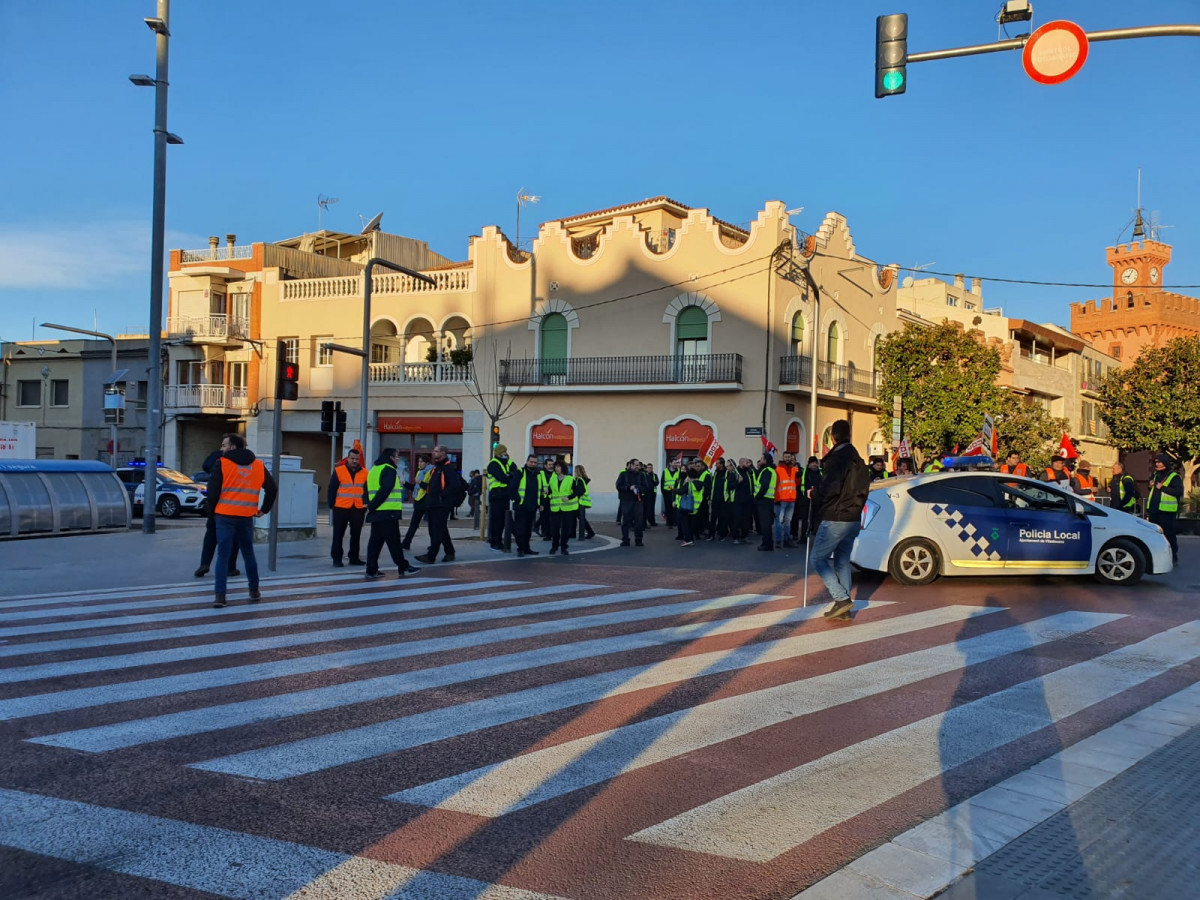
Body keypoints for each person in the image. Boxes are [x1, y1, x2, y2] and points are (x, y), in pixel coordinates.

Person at [207, 433, 277, 608]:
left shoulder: (222, 464)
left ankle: (220, 596)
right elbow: (272, 488)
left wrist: (211, 514)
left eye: (224, 445)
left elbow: (212, 492)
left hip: (224, 515)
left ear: (232, 447)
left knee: (223, 556)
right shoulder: (258, 465)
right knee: (248, 554)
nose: (221, 448)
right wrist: (264, 509)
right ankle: (254, 590)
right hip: (246, 516)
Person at [809, 419, 869, 621]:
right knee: (842, 561)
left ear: (833, 437)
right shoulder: (858, 460)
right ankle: (843, 608)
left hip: (836, 516)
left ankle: (841, 598)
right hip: (853, 517)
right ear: (849, 435)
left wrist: (814, 494)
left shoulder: (836, 459)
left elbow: (829, 488)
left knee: (817, 558)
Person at [364, 447, 421, 580]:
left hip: (378, 513)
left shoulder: (374, 469)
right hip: (387, 512)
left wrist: (370, 505)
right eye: (396, 457)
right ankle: (403, 567)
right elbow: (385, 490)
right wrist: (372, 506)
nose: (397, 459)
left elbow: (365, 488)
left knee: (375, 543)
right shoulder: (389, 469)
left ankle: (371, 570)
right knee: (394, 542)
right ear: (391, 458)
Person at [194, 443, 239, 578]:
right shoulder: (234, 459)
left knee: (211, 536)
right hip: (232, 506)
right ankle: (230, 567)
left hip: (216, 505)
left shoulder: (216, 458)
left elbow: (206, 466)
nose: (221, 448)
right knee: (233, 538)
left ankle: (205, 564)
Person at [416, 444, 465, 564]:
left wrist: (442, 495)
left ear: (443, 453)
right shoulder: (436, 468)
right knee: (440, 529)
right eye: (433, 450)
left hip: (441, 504)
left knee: (436, 530)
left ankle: (431, 556)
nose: (433, 453)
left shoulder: (447, 468)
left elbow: (455, 485)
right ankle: (450, 552)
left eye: (436, 451)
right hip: (433, 503)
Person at [327, 446, 368, 567]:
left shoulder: (365, 472)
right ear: (348, 458)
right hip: (341, 507)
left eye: (356, 459)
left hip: (358, 508)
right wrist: (331, 505)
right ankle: (337, 558)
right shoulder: (339, 470)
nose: (354, 461)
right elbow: (332, 489)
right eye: (352, 458)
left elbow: (367, 490)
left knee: (356, 534)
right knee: (338, 534)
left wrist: (366, 505)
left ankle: (354, 557)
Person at [1147, 453, 1182, 566]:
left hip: (1167, 511)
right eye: (1156, 462)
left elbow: (1178, 492)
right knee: (1154, 534)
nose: (1157, 464)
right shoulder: (1155, 474)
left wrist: (1163, 488)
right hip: (1154, 509)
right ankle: (1155, 556)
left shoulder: (1174, 476)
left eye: (1159, 462)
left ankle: (1173, 556)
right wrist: (1150, 485)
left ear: (1165, 463)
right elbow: (1152, 489)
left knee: (1168, 534)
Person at [547, 460, 585, 555]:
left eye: (558, 466)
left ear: (563, 468)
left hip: (567, 508)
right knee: (554, 529)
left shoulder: (570, 479)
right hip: (555, 508)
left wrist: (569, 497)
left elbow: (579, 490)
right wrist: (547, 493)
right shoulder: (553, 479)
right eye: (555, 467)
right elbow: (551, 491)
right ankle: (554, 546)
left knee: (566, 529)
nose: (556, 468)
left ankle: (564, 547)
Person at [511, 454, 543, 557]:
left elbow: (541, 490)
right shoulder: (520, 472)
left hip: (532, 506)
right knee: (520, 529)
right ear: (527, 462)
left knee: (528, 529)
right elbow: (512, 488)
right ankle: (520, 549)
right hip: (521, 506)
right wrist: (517, 499)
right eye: (531, 462)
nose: (533, 464)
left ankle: (527, 548)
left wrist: (540, 504)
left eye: (535, 462)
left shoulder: (538, 474)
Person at [486, 444, 516, 551]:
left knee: (504, 520)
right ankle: (495, 542)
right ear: (499, 453)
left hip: (505, 494)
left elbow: (515, 474)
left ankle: (500, 541)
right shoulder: (493, 464)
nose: (505, 454)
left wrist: (509, 475)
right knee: (496, 521)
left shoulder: (506, 463)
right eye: (504, 452)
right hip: (496, 494)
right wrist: (509, 476)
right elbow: (503, 478)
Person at [401, 456, 432, 550]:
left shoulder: (431, 471)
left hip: (428, 501)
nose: (419, 464)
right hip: (419, 501)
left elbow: (431, 487)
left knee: (432, 525)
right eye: (419, 462)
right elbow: (416, 487)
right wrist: (405, 484)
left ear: (427, 463)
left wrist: (421, 482)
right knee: (413, 524)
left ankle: (434, 544)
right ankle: (406, 543)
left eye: (421, 462)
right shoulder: (419, 472)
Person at [616, 459, 648, 547]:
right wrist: (628, 488)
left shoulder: (642, 475)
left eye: (639, 465)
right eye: (636, 465)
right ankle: (625, 540)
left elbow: (646, 487)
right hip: (626, 501)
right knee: (626, 521)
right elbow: (618, 486)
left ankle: (638, 540)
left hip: (638, 501)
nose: (638, 467)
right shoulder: (623, 474)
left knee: (639, 521)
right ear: (631, 465)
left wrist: (638, 488)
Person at [794, 456, 821, 543]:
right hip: (805, 499)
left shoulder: (820, 472)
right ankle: (803, 537)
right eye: (812, 463)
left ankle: (816, 537)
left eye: (815, 463)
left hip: (817, 499)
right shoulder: (804, 471)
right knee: (805, 519)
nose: (814, 465)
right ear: (808, 464)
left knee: (816, 518)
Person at [774, 453, 799, 548]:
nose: (788, 458)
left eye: (789, 457)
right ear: (783, 457)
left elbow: (797, 482)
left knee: (788, 521)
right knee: (779, 522)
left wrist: (798, 473)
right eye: (786, 457)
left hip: (791, 498)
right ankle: (778, 540)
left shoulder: (794, 469)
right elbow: (775, 485)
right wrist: (776, 498)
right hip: (782, 499)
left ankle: (787, 540)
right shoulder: (778, 469)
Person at [753, 454, 777, 551]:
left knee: (765, 524)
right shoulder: (769, 470)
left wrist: (757, 497)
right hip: (768, 499)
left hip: (764, 500)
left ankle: (766, 544)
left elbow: (764, 486)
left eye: (762, 459)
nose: (760, 460)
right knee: (766, 524)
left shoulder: (767, 471)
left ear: (766, 461)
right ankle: (767, 543)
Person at [729, 457, 753, 544]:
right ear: (741, 463)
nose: (749, 464)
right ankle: (735, 537)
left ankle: (745, 536)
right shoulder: (734, 473)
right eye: (747, 463)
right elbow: (730, 486)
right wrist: (737, 482)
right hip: (737, 500)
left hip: (747, 500)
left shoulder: (749, 472)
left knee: (746, 519)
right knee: (736, 519)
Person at [575, 464, 596, 539]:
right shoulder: (584, 479)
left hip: (580, 502)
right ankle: (590, 532)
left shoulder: (580, 480)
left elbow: (580, 491)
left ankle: (590, 532)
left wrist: (574, 495)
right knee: (581, 518)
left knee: (581, 518)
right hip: (582, 502)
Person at [538, 457, 555, 538]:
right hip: (543, 499)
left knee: (551, 518)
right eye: (549, 465)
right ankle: (545, 533)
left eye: (552, 465)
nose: (551, 466)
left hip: (552, 499)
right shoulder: (540, 473)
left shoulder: (555, 474)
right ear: (545, 466)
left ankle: (550, 533)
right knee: (544, 518)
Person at [661, 458, 681, 528]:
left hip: (675, 492)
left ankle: (675, 521)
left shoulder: (679, 471)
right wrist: (663, 492)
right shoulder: (665, 471)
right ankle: (669, 522)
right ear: (670, 463)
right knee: (668, 507)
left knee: (675, 507)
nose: (675, 464)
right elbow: (662, 482)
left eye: (676, 463)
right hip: (667, 492)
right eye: (674, 463)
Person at [642, 463, 659, 529]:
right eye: (648, 468)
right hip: (646, 494)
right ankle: (644, 523)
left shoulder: (654, 475)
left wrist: (652, 481)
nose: (650, 469)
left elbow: (657, 483)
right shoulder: (644, 475)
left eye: (651, 468)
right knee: (646, 509)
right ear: (646, 468)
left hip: (653, 494)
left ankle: (652, 521)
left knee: (652, 508)